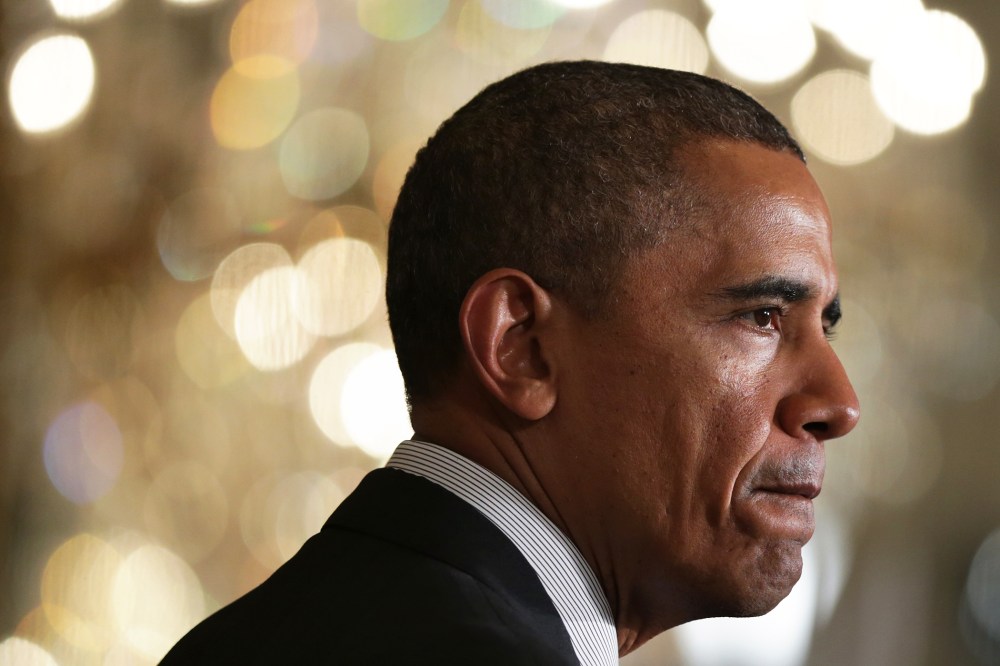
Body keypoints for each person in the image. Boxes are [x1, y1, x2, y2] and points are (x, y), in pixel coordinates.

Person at [162, 60, 859, 665]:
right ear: (520, 347)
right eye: (761, 316)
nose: (837, 403)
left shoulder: (255, 637)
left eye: (822, 326)